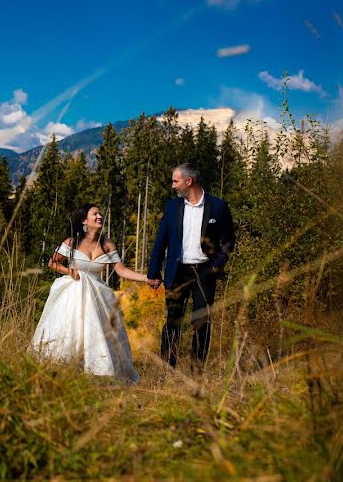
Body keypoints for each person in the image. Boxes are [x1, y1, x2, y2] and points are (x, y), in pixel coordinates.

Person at [32, 204, 147, 382]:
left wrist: (147, 278)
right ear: (85, 220)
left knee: (97, 332)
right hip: (74, 292)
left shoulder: (107, 244)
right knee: (71, 330)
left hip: (97, 295)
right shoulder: (71, 242)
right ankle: (63, 370)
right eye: (95, 214)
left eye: (100, 213)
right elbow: (52, 263)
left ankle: (97, 370)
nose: (99, 216)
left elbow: (122, 271)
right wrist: (68, 271)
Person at [146, 163, 235, 369]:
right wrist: (153, 272)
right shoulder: (172, 206)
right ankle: (167, 368)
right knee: (173, 321)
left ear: (189, 181)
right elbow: (161, 240)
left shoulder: (218, 206)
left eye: (175, 181)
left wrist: (216, 266)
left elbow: (228, 240)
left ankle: (197, 371)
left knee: (202, 323)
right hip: (177, 272)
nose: (173, 186)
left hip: (205, 272)